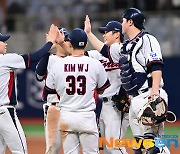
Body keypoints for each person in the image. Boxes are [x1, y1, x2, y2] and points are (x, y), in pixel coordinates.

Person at [44, 28, 110, 154]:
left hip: (66, 116)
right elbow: (102, 89)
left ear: (70, 43)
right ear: (86, 44)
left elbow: (50, 89)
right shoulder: (95, 64)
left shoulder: (58, 65)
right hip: (87, 116)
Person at [0, 24, 58, 154]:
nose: (6, 44)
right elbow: (33, 58)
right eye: (3, 41)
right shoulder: (4, 59)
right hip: (4, 112)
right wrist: (49, 43)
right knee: (21, 151)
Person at [119, 8, 170, 153]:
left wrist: (154, 92)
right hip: (135, 100)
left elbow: (156, 65)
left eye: (123, 20)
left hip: (148, 95)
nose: (121, 23)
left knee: (154, 146)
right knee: (140, 148)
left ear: (130, 22)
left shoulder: (147, 39)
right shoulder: (127, 45)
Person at [84, 15, 129, 154]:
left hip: (118, 105)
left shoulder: (124, 49)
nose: (104, 35)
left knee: (115, 147)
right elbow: (77, 54)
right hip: (105, 105)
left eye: (106, 32)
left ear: (116, 34)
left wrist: (89, 33)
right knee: (108, 148)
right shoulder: (99, 55)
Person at [35, 27, 70, 154]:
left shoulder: (74, 60)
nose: (65, 41)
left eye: (66, 39)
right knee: (52, 149)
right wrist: (47, 48)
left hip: (71, 108)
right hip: (53, 107)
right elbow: (39, 76)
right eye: (63, 39)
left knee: (71, 149)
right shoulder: (49, 59)